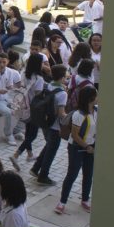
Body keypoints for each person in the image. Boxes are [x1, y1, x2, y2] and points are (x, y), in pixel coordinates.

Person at [55, 85, 98, 215]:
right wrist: (87, 146)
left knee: (88, 174)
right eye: (97, 95)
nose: (99, 97)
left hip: (91, 148)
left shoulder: (97, 111)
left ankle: (85, 200)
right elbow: (75, 135)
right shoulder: (79, 115)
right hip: (77, 148)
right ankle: (62, 202)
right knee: (72, 174)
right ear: (91, 98)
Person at [29, 65, 69, 186]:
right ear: (62, 77)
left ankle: (36, 168)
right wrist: (71, 118)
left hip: (45, 123)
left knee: (48, 146)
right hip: (55, 126)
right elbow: (61, 114)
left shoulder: (49, 85)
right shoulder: (62, 93)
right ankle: (43, 176)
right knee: (51, 151)